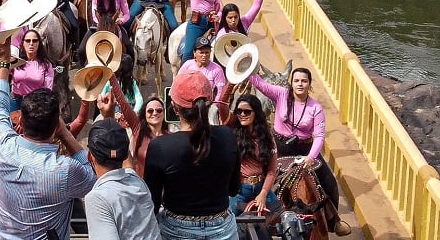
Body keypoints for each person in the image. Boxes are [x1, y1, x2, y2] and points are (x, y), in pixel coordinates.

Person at [0, 34, 97, 240]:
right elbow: (93, 177)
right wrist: (65, 134)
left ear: (21, 122)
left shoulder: (1, 145)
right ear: (56, 127)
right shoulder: (64, 169)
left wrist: (2, 60)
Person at [252, 67, 351, 236]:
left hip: (305, 151)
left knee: (329, 181)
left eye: (304, 81)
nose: (300, 84)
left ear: (309, 84)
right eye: (296, 80)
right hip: (279, 148)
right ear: (291, 83)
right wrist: (246, 66)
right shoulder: (281, 94)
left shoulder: (316, 107)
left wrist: (311, 157)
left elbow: (319, 136)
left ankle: (334, 221)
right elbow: (258, 83)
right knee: (255, 176)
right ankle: (254, 215)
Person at [144, 71, 240, 239]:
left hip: (175, 230)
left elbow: (153, 202)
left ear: (174, 107)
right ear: (209, 103)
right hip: (222, 228)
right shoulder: (227, 135)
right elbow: (233, 190)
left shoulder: (160, 146)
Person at [84, 118, 163, 240]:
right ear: (126, 154)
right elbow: (128, 165)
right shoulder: (137, 182)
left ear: (90, 156)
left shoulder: (98, 199)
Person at [225, 94, 279, 216]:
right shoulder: (233, 134)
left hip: (261, 187)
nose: (242, 115)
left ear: (256, 113)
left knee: (280, 215)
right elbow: (222, 108)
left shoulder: (267, 137)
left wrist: (263, 195)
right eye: (239, 111)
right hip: (239, 190)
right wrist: (230, 83)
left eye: (247, 112)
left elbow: (272, 170)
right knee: (231, 219)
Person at [11, 29, 55, 112]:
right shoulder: (16, 62)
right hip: (16, 102)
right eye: (28, 41)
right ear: (23, 43)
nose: (31, 43)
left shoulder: (46, 65)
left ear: (39, 43)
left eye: (34, 41)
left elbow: (48, 90)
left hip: (36, 104)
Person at [177, 36, 227, 103]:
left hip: (209, 104)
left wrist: (214, 106)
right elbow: (177, 83)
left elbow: (220, 92)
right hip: (188, 103)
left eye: (207, 52)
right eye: (201, 52)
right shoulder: (187, 65)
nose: (204, 55)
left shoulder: (217, 69)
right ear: (194, 53)